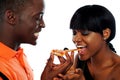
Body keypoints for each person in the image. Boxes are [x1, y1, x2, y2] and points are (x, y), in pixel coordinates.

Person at [42, 4, 120, 80]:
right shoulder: (79, 59)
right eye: (74, 33)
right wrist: (62, 74)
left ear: (105, 34)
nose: (76, 39)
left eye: (85, 33)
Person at [0, 0, 45, 79]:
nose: (43, 24)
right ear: (11, 17)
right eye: (37, 18)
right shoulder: (2, 70)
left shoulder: (18, 54)